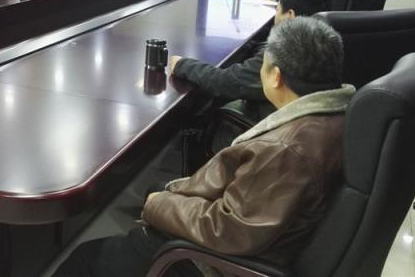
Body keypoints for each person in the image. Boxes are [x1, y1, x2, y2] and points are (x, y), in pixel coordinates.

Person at [54, 16, 354, 277]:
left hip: (212, 263)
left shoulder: (286, 150)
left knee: (85, 259)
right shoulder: (341, 115)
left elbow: (228, 230)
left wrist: (159, 203)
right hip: (255, 232)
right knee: (159, 189)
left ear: (276, 77)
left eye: (263, 66)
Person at [169, 0, 329, 127]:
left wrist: (182, 64)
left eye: (277, 9)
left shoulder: (286, 53)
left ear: (290, 15)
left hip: (270, 126)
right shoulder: (325, 42)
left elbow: (226, 82)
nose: (275, 15)